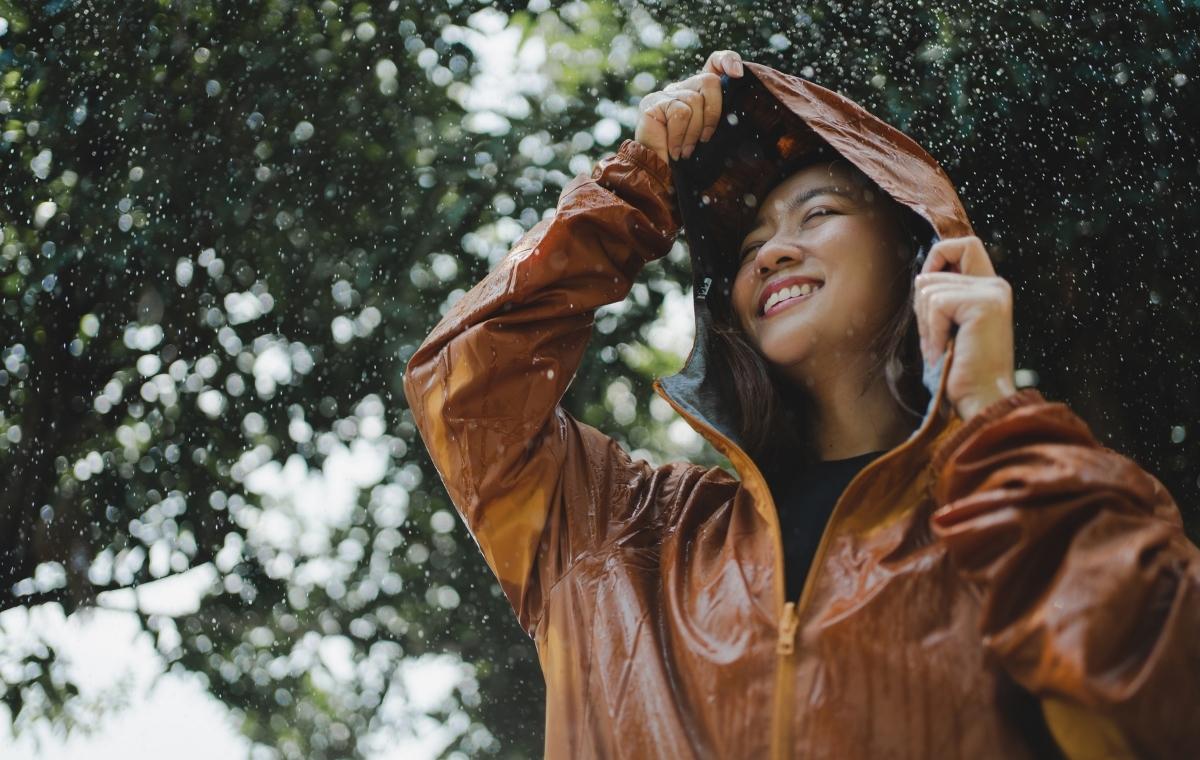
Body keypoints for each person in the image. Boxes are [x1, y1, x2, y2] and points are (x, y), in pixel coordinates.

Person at [403, 50, 1200, 759]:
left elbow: (1162, 701)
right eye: (748, 248)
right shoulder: (624, 535)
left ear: (914, 253)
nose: (775, 249)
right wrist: (642, 183)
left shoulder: (1012, 510)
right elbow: (466, 382)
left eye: (818, 214)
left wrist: (991, 417)